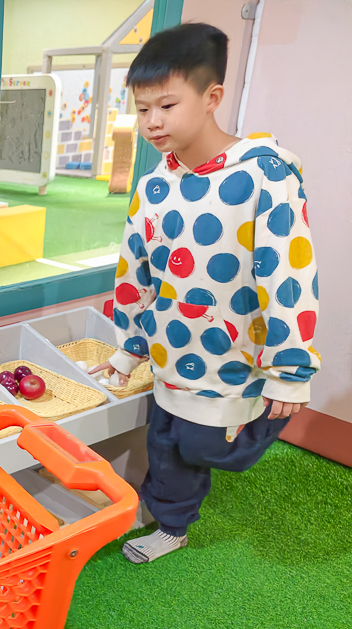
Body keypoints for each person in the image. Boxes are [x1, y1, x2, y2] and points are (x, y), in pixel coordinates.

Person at [92, 23, 320, 563]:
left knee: (206, 447)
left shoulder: (265, 176)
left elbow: (289, 273)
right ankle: (172, 527)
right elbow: (137, 273)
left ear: (212, 97)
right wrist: (129, 348)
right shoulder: (154, 185)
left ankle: (262, 416)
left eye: (166, 106)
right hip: (173, 351)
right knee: (167, 445)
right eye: (142, 109)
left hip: (235, 356)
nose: (151, 122)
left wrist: (289, 370)